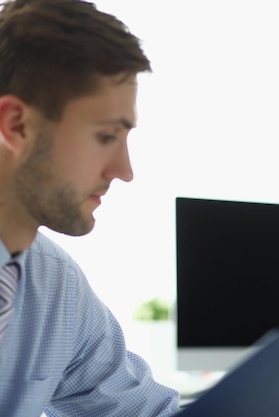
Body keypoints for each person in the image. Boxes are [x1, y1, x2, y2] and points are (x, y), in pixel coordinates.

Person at [0, 0, 180, 415]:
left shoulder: (55, 286)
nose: (124, 170)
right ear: (16, 125)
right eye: (105, 136)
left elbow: (144, 412)